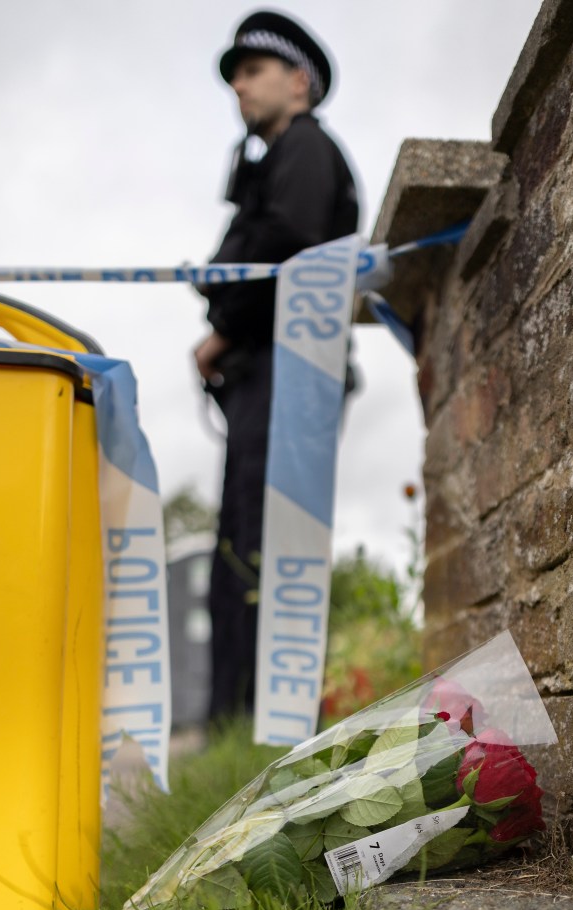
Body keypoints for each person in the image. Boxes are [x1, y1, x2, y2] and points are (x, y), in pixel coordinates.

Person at [194, 10, 359, 722]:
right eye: (234, 75)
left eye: (252, 71)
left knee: (262, 547)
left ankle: (262, 718)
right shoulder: (277, 159)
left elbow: (285, 253)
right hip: (267, 371)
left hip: (285, 369)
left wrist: (221, 333)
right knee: (241, 545)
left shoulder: (306, 149)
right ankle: (238, 719)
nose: (238, 85)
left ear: (299, 82)